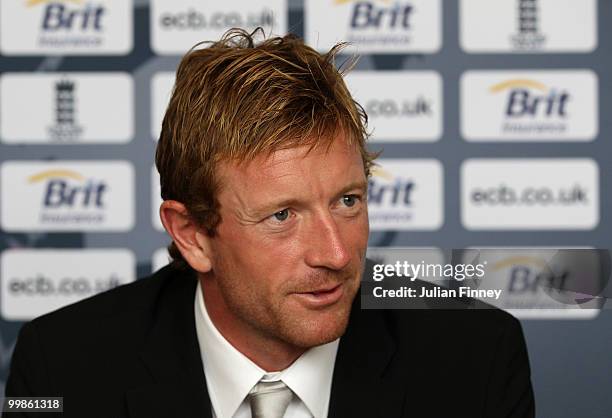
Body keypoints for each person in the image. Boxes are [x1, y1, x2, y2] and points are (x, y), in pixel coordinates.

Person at [4, 28, 535, 418]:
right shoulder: (61, 370)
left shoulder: (477, 359)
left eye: (348, 201)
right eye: (282, 215)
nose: (337, 254)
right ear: (192, 236)